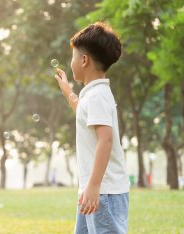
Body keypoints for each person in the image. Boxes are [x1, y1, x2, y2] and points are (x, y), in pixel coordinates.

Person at [54, 22, 130, 233]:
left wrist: (94, 185)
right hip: (93, 189)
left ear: (84, 60)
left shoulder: (98, 96)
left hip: (103, 191)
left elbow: (105, 140)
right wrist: (68, 91)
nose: (71, 62)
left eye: (73, 56)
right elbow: (82, 111)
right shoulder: (92, 94)